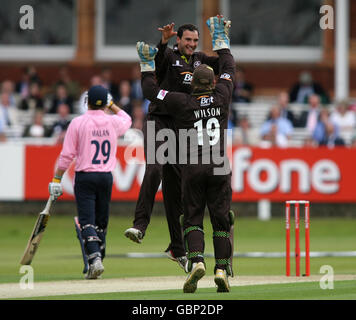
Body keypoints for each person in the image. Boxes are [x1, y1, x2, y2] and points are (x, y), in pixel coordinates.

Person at [137, 14, 235, 293]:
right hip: (218, 167)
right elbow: (229, 66)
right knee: (221, 220)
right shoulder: (223, 95)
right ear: (214, 82)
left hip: (192, 167)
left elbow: (150, 91)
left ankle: (197, 262)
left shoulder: (182, 103)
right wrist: (221, 40)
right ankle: (221, 268)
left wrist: (145, 65)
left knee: (192, 218)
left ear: (193, 83)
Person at [124, 21, 220, 271]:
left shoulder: (201, 59)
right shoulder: (169, 55)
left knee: (175, 190)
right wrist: (162, 42)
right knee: (154, 169)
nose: (191, 44)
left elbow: (224, 66)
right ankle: (140, 226)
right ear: (179, 40)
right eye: (188, 40)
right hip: (159, 120)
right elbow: (155, 66)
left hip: (182, 127)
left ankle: (177, 248)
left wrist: (223, 43)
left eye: (195, 41)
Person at [48, 85, 132, 279]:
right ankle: (98, 258)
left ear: (87, 102)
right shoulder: (112, 122)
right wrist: (112, 105)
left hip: (85, 176)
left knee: (87, 221)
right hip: (105, 177)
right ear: (106, 103)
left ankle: (94, 260)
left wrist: (56, 178)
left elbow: (67, 155)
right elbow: (127, 119)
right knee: (101, 222)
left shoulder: (78, 123)